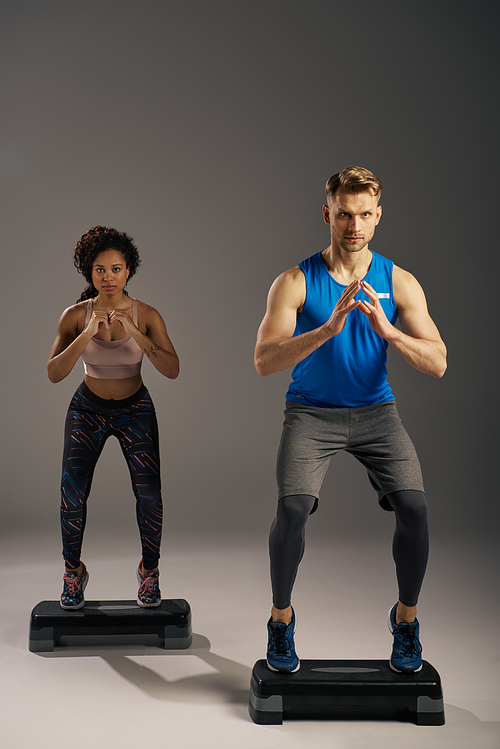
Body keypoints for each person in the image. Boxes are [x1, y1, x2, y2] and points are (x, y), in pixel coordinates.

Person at [254, 166, 447, 675]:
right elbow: (264, 360)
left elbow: (439, 361)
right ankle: (280, 620)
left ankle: (405, 622)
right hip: (311, 414)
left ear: (378, 217)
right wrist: (328, 327)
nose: (353, 225)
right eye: (344, 214)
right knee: (292, 511)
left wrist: (390, 331)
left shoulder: (397, 280)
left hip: (375, 414)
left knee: (416, 509)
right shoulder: (295, 280)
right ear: (328, 214)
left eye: (364, 215)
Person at [47, 226, 179, 610]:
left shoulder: (147, 314)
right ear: (89, 272)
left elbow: (172, 369)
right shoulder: (74, 316)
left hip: (134, 409)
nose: (108, 277)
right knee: (71, 494)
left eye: (116, 269)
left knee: (149, 494)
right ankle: (73, 573)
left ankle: (149, 571)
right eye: (100, 270)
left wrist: (134, 332)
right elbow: (54, 373)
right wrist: (88, 331)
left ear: (128, 271)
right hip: (87, 410)